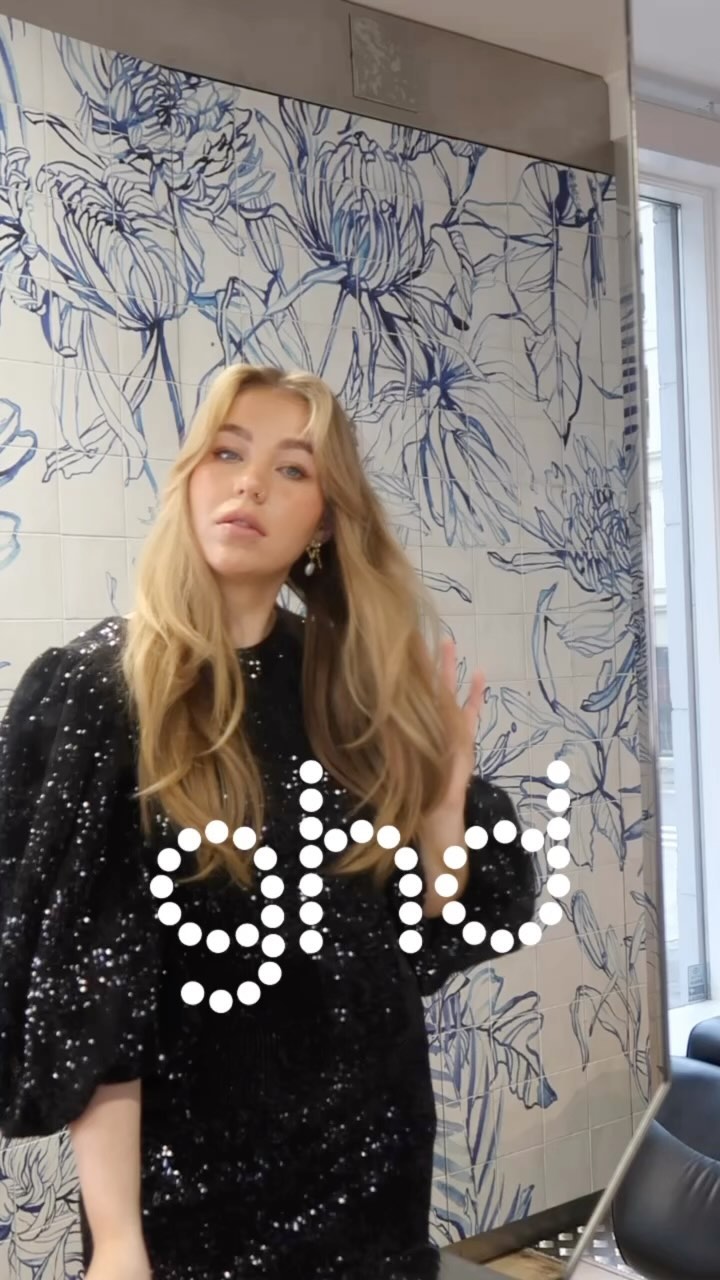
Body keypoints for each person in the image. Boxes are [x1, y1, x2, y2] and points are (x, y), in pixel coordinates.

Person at [0, 363, 537, 1280]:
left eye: (292, 469)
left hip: (372, 1170)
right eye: (227, 453)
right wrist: (118, 1239)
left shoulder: (351, 690)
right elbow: (96, 995)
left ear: (324, 521)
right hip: (194, 1199)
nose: (250, 484)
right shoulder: (100, 692)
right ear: (188, 480)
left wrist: (444, 809)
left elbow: (416, 933)